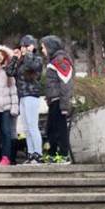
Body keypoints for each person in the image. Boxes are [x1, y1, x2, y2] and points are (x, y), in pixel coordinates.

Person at [6, 35, 44, 164]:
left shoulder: (36, 59)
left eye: (26, 46)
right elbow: (9, 72)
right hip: (21, 96)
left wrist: (28, 53)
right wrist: (15, 58)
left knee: (33, 126)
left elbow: (32, 66)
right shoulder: (21, 60)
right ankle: (31, 153)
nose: (23, 48)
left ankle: (38, 153)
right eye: (22, 46)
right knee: (26, 127)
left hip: (32, 95)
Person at [42, 35, 73, 164]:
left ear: (50, 47)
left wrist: (64, 106)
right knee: (51, 129)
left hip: (59, 101)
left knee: (60, 129)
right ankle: (53, 154)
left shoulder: (60, 61)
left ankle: (64, 154)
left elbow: (66, 83)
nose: (42, 51)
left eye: (43, 48)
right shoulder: (53, 61)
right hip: (53, 101)